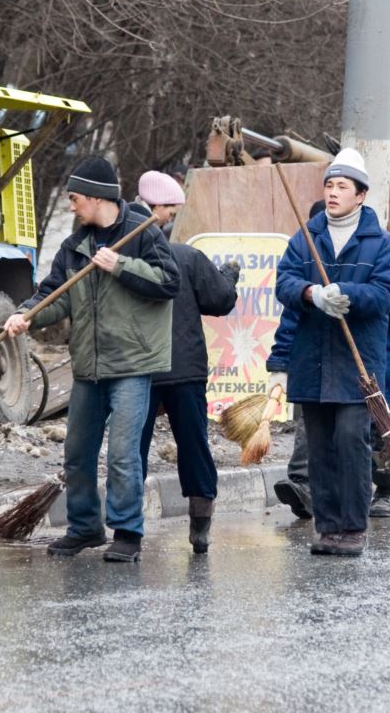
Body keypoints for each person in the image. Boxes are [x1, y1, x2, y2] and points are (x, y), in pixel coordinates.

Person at [4, 157, 180, 563]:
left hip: (132, 365)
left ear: (99, 197)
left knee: (122, 453)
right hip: (88, 365)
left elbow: (169, 282)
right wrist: (26, 315)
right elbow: (56, 293)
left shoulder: (143, 233)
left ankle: (127, 533)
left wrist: (121, 266)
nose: (70, 205)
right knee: (78, 453)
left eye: (74, 197)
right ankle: (84, 527)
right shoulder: (74, 246)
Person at [267, 149, 390, 556]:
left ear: (361, 195)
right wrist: (311, 293)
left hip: (357, 363)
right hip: (313, 361)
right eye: (329, 184)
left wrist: (346, 295)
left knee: (350, 439)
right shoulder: (306, 236)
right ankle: (327, 529)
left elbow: (387, 293)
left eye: (342, 186)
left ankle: (353, 526)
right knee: (321, 448)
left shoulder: (379, 243)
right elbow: (284, 282)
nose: (333, 192)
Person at [272, 202, 390, 520]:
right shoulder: (312, 282)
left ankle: (386, 489)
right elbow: (291, 322)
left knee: (374, 434)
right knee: (313, 428)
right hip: (321, 369)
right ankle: (306, 486)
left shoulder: (382, 270)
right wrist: (279, 364)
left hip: (373, 372)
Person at [135, 172, 239, 554]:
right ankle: (200, 527)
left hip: (138, 368)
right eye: (172, 211)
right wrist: (229, 275)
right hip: (184, 369)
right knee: (193, 444)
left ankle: (129, 527)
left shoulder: (120, 259)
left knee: (133, 448)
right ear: (159, 212)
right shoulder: (186, 257)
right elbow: (220, 300)